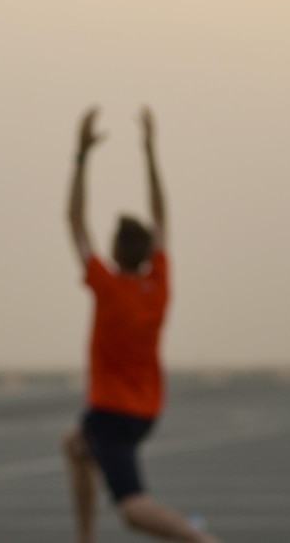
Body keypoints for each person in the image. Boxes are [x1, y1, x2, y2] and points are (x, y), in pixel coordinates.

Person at [62, 107, 219, 543]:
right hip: (148, 409)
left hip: (112, 411)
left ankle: (202, 540)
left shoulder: (107, 287)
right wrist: (149, 150)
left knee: (132, 508)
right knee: (74, 445)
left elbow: (74, 221)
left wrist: (80, 156)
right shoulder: (159, 284)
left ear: (114, 252)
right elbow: (162, 214)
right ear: (149, 251)